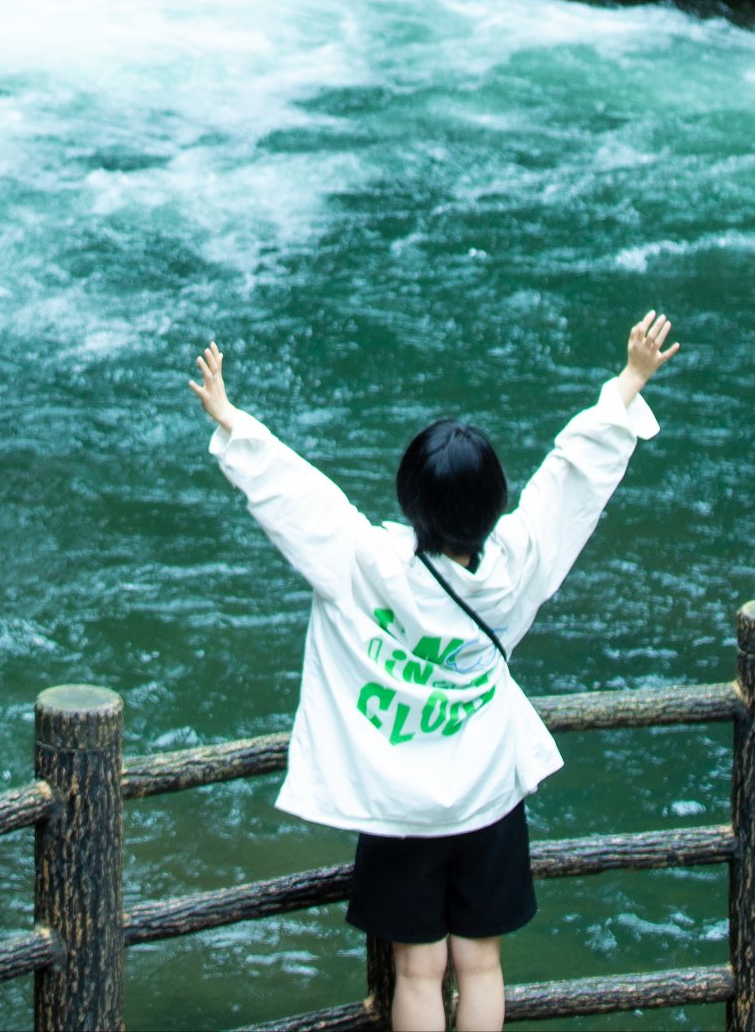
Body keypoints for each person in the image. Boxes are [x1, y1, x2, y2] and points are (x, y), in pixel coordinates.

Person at [189, 312, 679, 1032]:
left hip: (397, 807)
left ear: (408, 498)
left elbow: (299, 501)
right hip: (487, 795)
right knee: (481, 964)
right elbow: (573, 480)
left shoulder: (368, 564)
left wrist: (234, 420)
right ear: (495, 502)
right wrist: (630, 381)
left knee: (418, 971)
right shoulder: (516, 570)